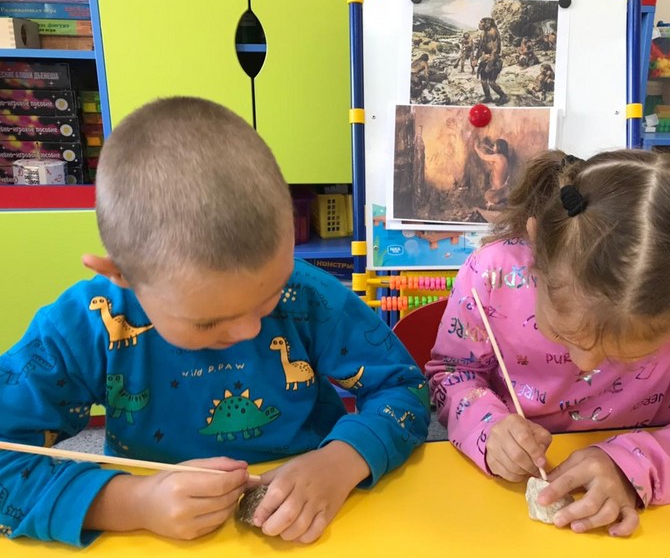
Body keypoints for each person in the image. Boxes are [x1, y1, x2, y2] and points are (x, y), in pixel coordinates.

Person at [0, 97, 430, 547]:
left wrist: (341, 461)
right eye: (207, 323)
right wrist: (132, 502)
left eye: (268, 298)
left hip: (322, 523)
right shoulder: (85, 326)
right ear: (122, 276)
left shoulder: (307, 293)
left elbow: (403, 387)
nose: (249, 331)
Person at [426, 149, 670, 536]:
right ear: (537, 248)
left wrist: (632, 467)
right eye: (564, 335)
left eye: (627, 355)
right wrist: (488, 427)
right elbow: (453, 373)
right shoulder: (494, 275)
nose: (585, 364)